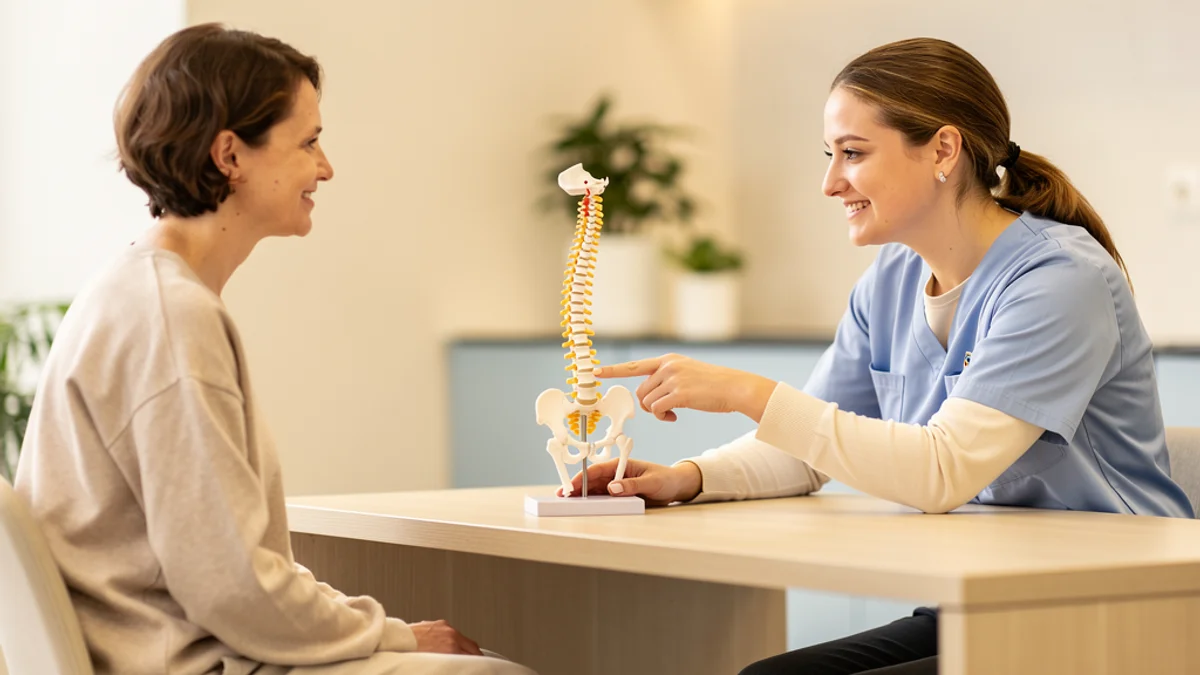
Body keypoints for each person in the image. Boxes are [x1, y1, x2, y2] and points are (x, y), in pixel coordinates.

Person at [565, 37, 1195, 675]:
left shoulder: (1060, 279)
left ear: (944, 150)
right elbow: (803, 447)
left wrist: (746, 392)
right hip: (984, 598)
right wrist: (688, 479)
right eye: (830, 155)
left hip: (1117, 610)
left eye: (853, 154)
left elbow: (941, 472)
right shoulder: (891, 279)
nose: (830, 182)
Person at [14, 23, 535, 675]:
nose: (326, 166)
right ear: (230, 154)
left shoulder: (137, 293)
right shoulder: (171, 316)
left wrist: (382, 631)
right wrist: (396, 634)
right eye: (309, 141)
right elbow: (232, 586)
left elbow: (229, 574)